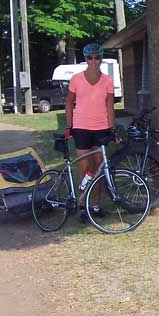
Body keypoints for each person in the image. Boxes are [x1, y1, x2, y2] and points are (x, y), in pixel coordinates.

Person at [64, 43, 118, 220]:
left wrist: (112, 128)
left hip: (101, 127)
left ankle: (95, 204)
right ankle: (82, 204)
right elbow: (69, 102)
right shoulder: (76, 79)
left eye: (97, 58)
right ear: (85, 59)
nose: (94, 61)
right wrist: (69, 125)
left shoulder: (108, 80)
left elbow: (110, 106)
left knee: (99, 168)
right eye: (90, 58)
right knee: (85, 167)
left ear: (100, 59)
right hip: (81, 128)